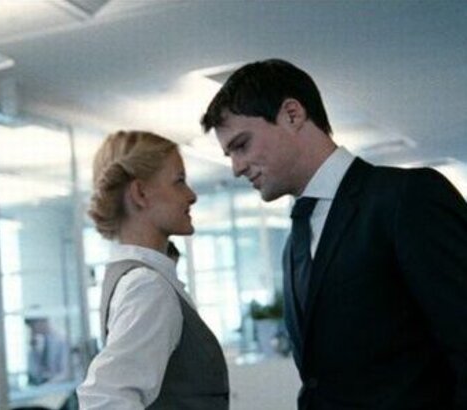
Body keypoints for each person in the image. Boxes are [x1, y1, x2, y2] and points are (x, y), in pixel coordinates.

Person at [201, 59, 467, 409]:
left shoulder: (405, 197)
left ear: (292, 115)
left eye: (241, 145)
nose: (236, 168)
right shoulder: (295, 241)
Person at [77, 130, 229, 409]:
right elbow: (105, 398)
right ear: (140, 193)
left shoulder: (134, 277)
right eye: (179, 181)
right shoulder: (147, 286)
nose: (191, 195)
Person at [25, 317, 71, 385]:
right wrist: (33, 350)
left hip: (59, 385)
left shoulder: (61, 340)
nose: (32, 330)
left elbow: (66, 373)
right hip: (48, 385)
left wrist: (48, 385)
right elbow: (35, 373)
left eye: (32, 326)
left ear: (41, 322)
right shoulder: (41, 342)